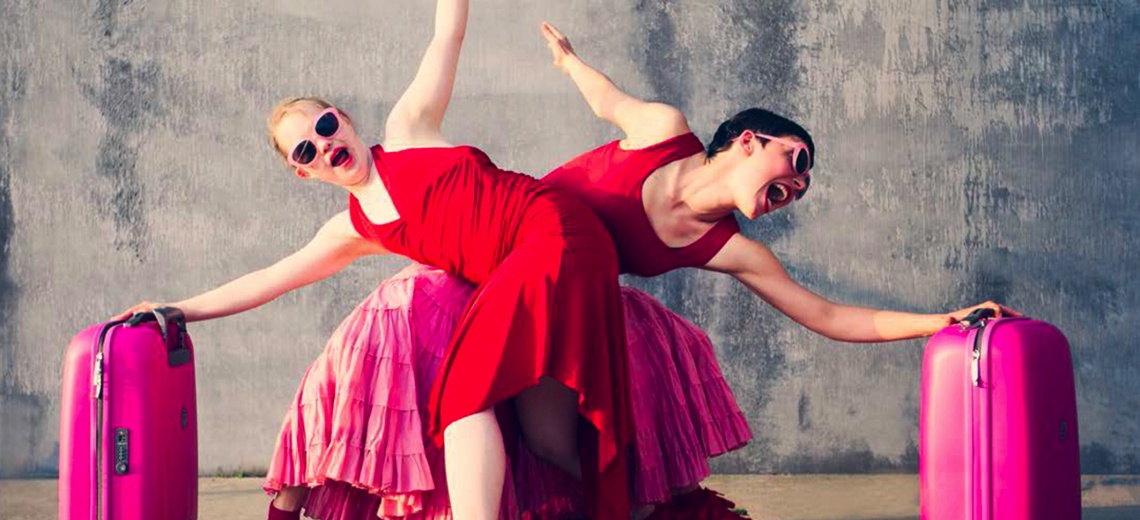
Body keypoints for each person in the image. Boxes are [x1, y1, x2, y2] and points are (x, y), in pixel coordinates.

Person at [114, 2, 635, 519]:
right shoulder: (352, 229)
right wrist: (178, 308)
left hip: (553, 233)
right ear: (305, 174)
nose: (323, 145)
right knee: (549, 441)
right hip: (531, 275)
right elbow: (269, 280)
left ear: (343, 117)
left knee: (460, 398)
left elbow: (446, 35)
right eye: (305, 152)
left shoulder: (410, 129)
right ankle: (636, 509)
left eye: (323, 125)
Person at [533, 20, 1022, 520]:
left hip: (571, 304)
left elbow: (828, 317)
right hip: (515, 255)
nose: (795, 186)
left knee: (558, 446)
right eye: (796, 160)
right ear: (748, 141)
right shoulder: (663, 130)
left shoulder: (732, 249)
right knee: (535, 436)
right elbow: (606, 101)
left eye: (800, 189)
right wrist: (568, 61)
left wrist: (942, 321)